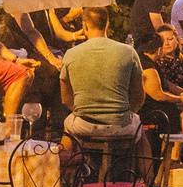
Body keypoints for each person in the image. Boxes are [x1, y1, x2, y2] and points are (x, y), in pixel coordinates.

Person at [59, 8, 146, 140]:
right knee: (140, 130)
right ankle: (146, 161)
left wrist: (82, 112)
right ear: (107, 24)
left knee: (68, 126)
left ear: (85, 25)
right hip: (120, 125)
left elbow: (65, 99)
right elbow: (139, 95)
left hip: (84, 124)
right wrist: (125, 113)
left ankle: (70, 158)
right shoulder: (129, 52)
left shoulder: (71, 54)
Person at [137, 27, 183, 140]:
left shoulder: (155, 62)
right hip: (150, 110)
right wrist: (180, 99)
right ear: (158, 50)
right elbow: (158, 95)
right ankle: (175, 154)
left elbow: (170, 84)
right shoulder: (149, 67)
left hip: (162, 103)